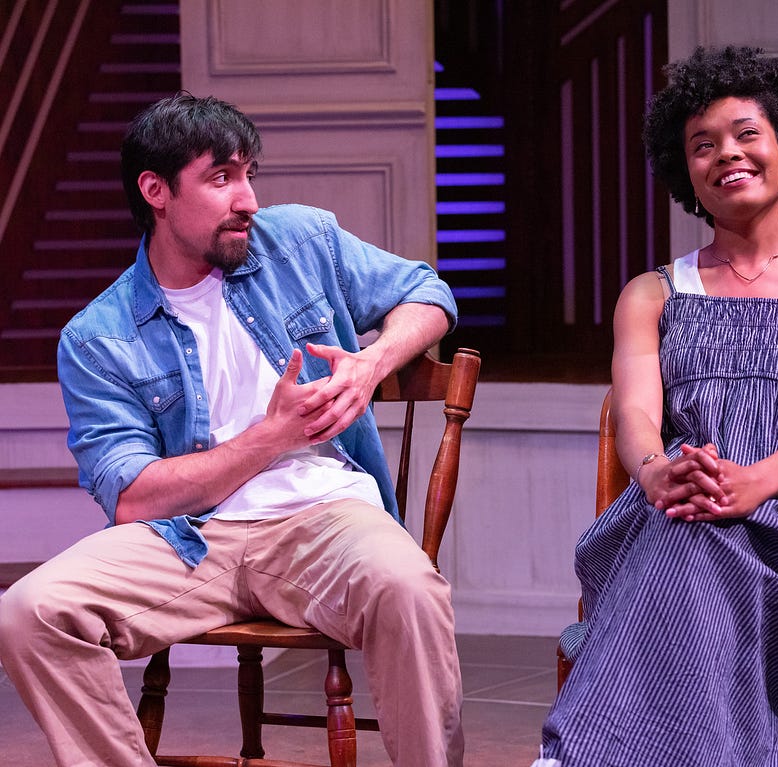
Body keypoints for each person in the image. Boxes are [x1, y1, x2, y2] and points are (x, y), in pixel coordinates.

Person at [0, 93, 464, 767]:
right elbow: (132, 497)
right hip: (189, 539)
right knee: (30, 612)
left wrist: (370, 364)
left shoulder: (300, 241)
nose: (246, 197)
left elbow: (428, 293)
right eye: (221, 178)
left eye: (248, 173)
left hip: (323, 516)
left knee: (411, 590)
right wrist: (269, 436)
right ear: (155, 191)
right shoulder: (98, 338)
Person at [533, 46, 778, 766]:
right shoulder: (652, 294)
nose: (727, 152)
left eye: (746, 133)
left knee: (707, 533)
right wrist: (656, 470)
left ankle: (576, 756)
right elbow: (634, 412)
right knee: (694, 529)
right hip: (678, 500)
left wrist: (752, 483)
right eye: (702, 145)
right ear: (686, 174)